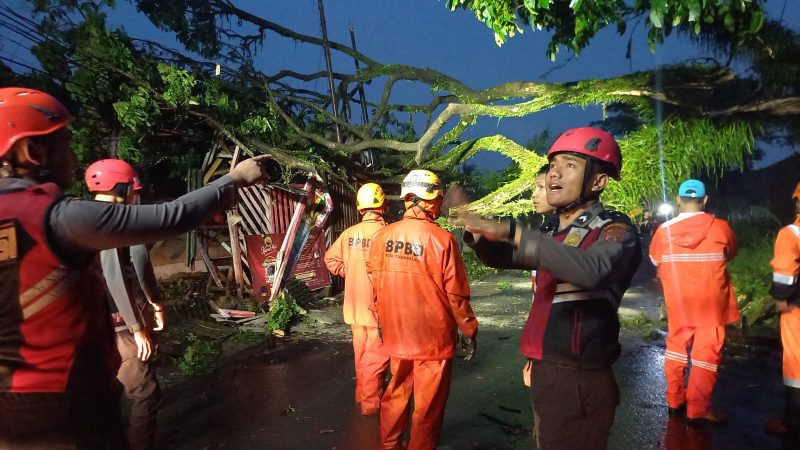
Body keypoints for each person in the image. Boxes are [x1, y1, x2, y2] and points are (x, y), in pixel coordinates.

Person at [0, 86, 268, 448]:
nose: (73, 156)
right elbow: (171, 217)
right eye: (63, 143)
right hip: (65, 403)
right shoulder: (57, 218)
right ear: (32, 152)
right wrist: (232, 179)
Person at [458, 127, 641, 450]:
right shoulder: (553, 229)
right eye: (553, 164)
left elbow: (592, 270)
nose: (555, 173)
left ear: (599, 182)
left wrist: (514, 232)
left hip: (580, 379)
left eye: (570, 165)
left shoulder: (615, 229)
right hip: (548, 370)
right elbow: (506, 257)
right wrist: (477, 232)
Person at [367, 169, 478, 450]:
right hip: (433, 340)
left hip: (396, 335)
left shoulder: (382, 237)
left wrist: (382, 322)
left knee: (396, 394)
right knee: (427, 406)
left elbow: (375, 286)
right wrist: (468, 329)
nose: (440, 205)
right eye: (439, 199)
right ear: (429, 200)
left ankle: (389, 445)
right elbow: (457, 294)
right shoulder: (442, 240)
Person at [85, 158, 166, 450]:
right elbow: (131, 265)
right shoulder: (118, 220)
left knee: (107, 394)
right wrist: (139, 323)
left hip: (89, 323)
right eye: (133, 189)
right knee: (144, 391)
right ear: (122, 187)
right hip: (119, 323)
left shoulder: (79, 216)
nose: (135, 195)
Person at [649, 179, 738, 424]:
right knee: (706, 355)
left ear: (678, 199)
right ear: (705, 200)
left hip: (679, 304)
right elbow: (731, 252)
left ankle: (675, 401)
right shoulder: (720, 227)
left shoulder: (663, 231)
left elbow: (655, 261)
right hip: (712, 304)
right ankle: (698, 409)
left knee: (676, 350)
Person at [324, 182, 390, 416]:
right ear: (383, 205)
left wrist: (348, 270)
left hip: (353, 307)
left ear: (360, 207)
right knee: (376, 358)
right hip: (376, 308)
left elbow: (330, 260)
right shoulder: (386, 235)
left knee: (361, 354)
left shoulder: (349, 233)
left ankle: (362, 395)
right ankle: (371, 405)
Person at [765, 181, 800, 439]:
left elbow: (785, 273)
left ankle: (792, 421)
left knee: (796, 365)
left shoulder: (791, 233)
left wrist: (780, 299)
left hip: (796, 309)